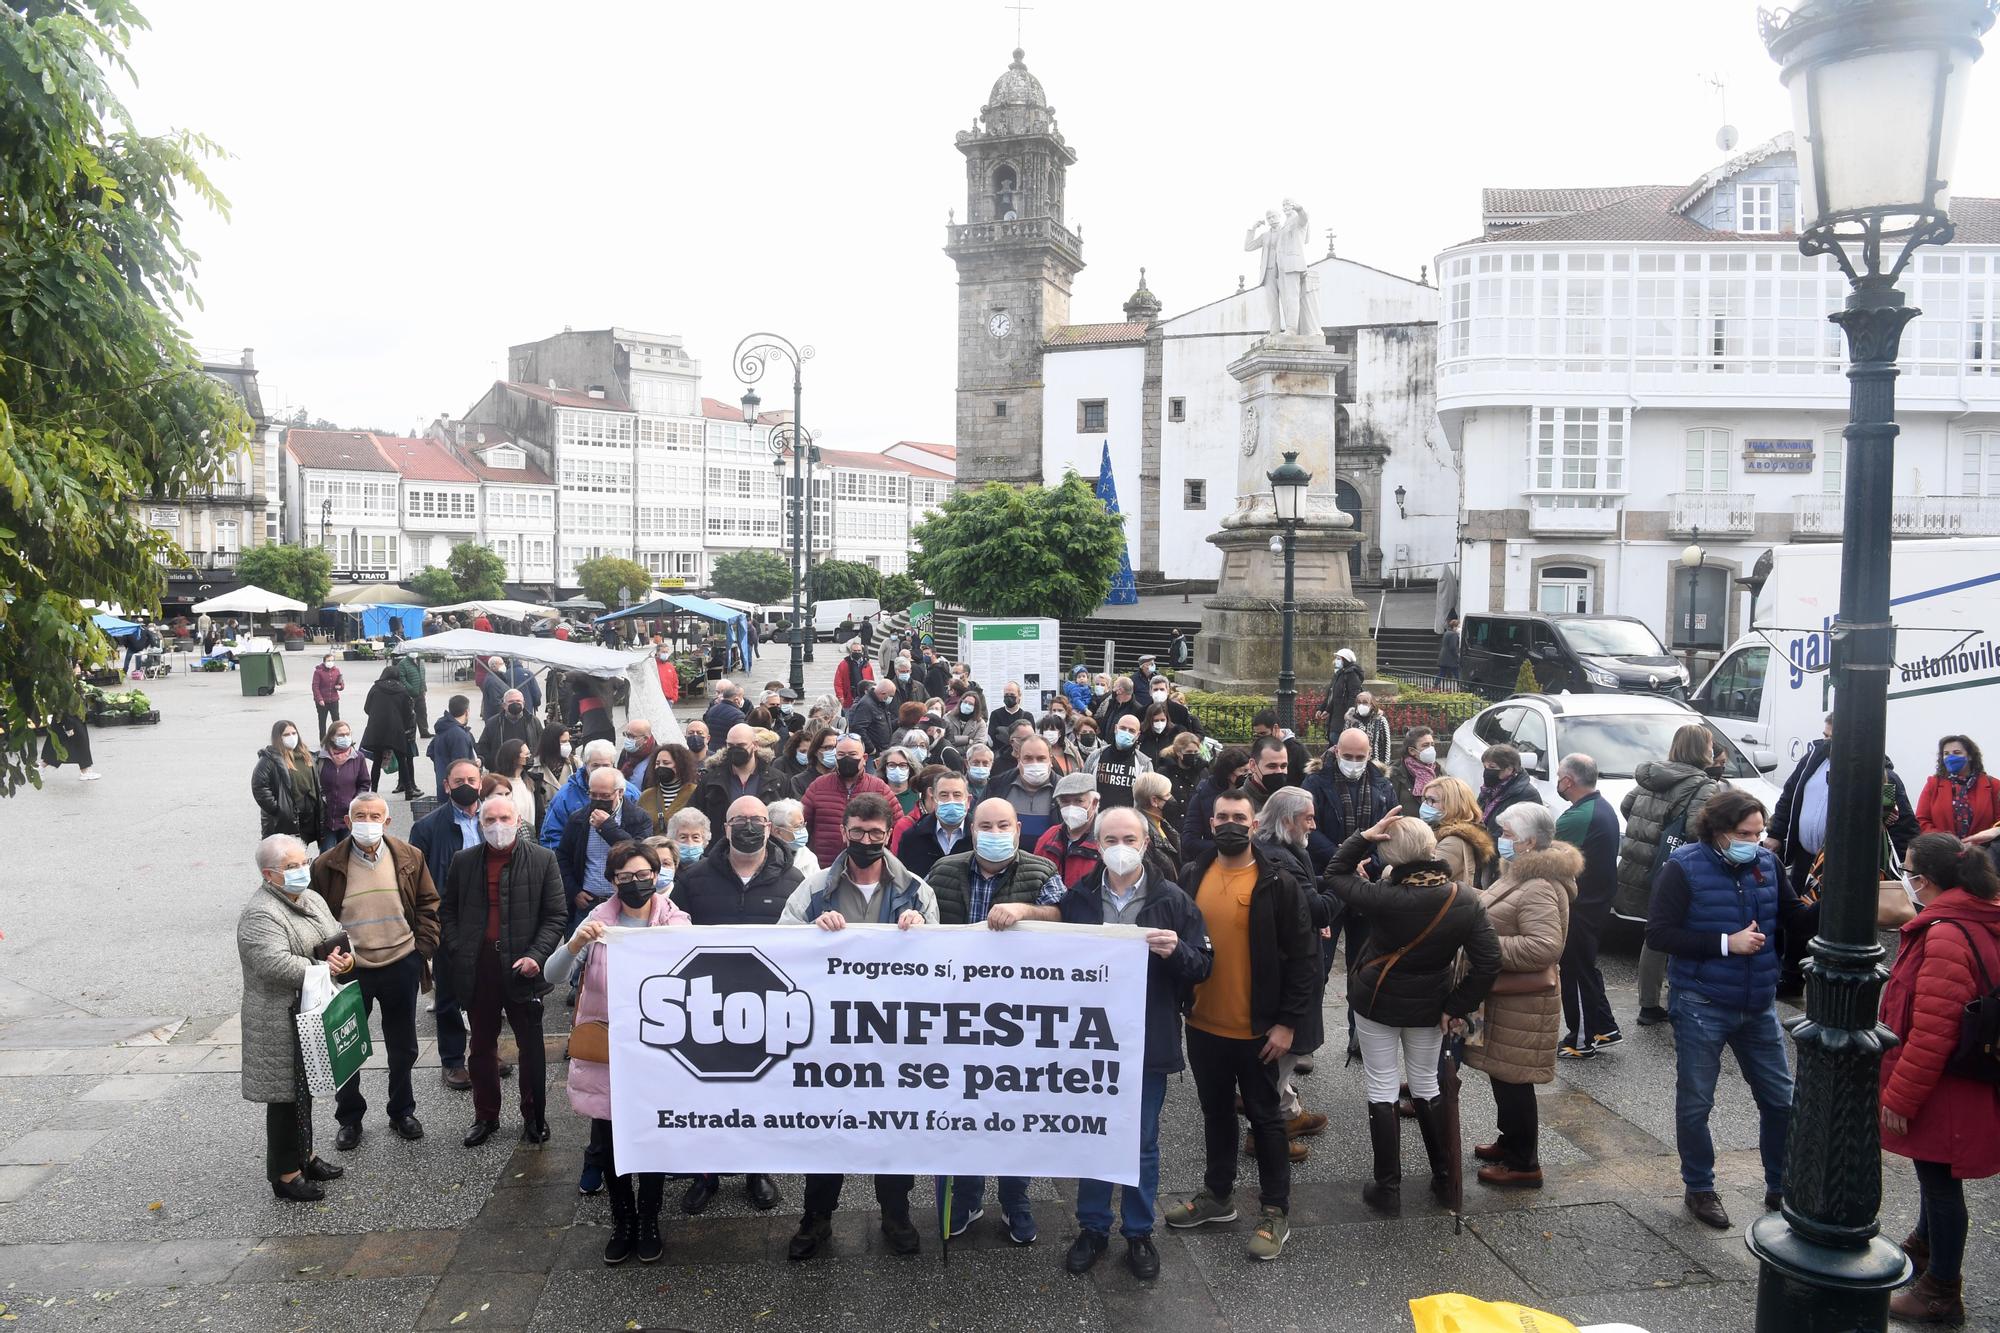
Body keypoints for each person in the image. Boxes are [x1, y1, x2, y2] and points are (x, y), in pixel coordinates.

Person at [1028, 805, 1212, 1280]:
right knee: (1093, 1135)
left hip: (1147, 1041)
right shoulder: (1080, 898)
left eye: (1129, 838)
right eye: (1110, 839)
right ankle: (1093, 1227)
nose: (1120, 848)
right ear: (1098, 844)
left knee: (1140, 1140)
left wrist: (1177, 952)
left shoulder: (1172, 900)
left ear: (1146, 843)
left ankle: (1138, 1230)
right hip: (1089, 1043)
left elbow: (1203, 967)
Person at [779, 793, 938, 1260]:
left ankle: (896, 1214)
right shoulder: (814, 890)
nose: (866, 841)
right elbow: (780, 941)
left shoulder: (915, 889)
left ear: (888, 834)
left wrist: (921, 927)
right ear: (843, 832)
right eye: (857, 832)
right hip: (830, 1038)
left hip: (894, 1039)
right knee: (827, 1129)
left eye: (875, 834)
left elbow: (939, 961)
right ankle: (816, 1218)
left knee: (894, 1128)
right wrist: (811, 931)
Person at [1161, 789, 1318, 1262]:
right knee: (1215, 1112)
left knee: (1267, 1118)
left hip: (1258, 1030)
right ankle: (1219, 1196)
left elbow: (1305, 958)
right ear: (1211, 823)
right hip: (1204, 1024)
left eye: (1239, 817)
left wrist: (1288, 1024)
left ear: (1253, 825)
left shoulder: (1277, 881)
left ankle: (1274, 1210)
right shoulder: (1194, 873)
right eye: (1222, 816)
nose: (1230, 824)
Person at [1326, 811, 1500, 1213]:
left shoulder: (1385, 896)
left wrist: (1363, 836)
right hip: (1432, 1004)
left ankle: (1387, 1187)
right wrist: (1456, 1006)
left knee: (1381, 1086)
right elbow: (1488, 963)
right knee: (1427, 1084)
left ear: (1391, 856)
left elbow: (1334, 872)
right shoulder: (1465, 899)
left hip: (1377, 1000)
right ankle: (1443, 1178)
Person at [1646, 789, 1803, 1230]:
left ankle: (1781, 1185)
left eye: (1759, 833)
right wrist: (1725, 944)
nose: (1753, 841)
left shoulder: (1768, 864)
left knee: (1781, 1101)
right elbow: (1659, 934)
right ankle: (1700, 1187)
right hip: (1701, 1002)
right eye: (1743, 833)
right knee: (1696, 1103)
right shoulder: (1683, 867)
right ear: (1717, 832)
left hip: (1757, 1004)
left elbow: (1793, 917)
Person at [923, 799, 1066, 1243]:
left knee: (1012, 1111)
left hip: (1015, 1022)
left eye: (1003, 825)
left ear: (1018, 828)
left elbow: (1065, 921)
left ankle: (1015, 1198)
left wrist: (1027, 912)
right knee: (961, 1109)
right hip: (955, 1016)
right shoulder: (944, 870)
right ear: (972, 827)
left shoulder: (1041, 872)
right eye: (986, 825)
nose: (995, 831)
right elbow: (920, 922)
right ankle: (966, 1196)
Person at [545, 840, 690, 1261]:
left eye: (644, 875)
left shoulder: (676, 922)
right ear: (612, 882)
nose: (636, 883)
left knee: (651, 1140)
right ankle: (621, 1219)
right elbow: (555, 976)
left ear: (656, 876)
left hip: (659, 1053)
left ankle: (648, 1220)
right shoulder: (598, 923)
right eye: (625, 878)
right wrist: (575, 945)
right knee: (609, 1143)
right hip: (609, 1051)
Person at [1879, 832, 2000, 1324]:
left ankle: (1941, 1291)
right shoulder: (1978, 913)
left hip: (1943, 1083)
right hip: (1965, 1074)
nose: (1904, 879)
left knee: (1941, 1182)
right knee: (1938, 1174)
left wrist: (1900, 1098)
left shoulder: (1946, 931)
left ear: (1924, 879)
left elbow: (1932, 1029)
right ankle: (1924, 1248)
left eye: (1907, 871)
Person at [665, 797, 799, 1213]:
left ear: (769, 827)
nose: (748, 827)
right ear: (725, 828)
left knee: (762, 1092)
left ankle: (757, 1169)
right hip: (708, 1007)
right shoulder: (695, 879)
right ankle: (707, 1173)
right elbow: (671, 941)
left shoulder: (793, 880)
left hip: (768, 1009)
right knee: (706, 1094)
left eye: (757, 820)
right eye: (739, 820)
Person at [309, 792, 438, 1151]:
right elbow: (315, 919)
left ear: (387, 821)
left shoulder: (409, 856)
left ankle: (401, 1110)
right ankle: (349, 1119)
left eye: (375, 815)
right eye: (360, 815)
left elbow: (429, 903)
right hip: (352, 970)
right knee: (347, 1048)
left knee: (403, 1046)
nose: (368, 822)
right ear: (348, 822)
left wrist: (422, 949)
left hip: (401, 962)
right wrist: (328, 958)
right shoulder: (327, 864)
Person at [440, 793, 566, 1148]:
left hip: (523, 969)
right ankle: (485, 1116)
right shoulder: (464, 861)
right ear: (480, 824)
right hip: (479, 968)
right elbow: (447, 911)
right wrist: (458, 945)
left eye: (504, 819)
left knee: (531, 1048)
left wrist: (536, 956)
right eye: (490, 821)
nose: (498, 827)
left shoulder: (543, 860)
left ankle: (534, 1116)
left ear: (518, 821)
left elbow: (555, 915)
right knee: (480, 1046)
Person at [1766, 710, 1920, 995]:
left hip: (1846, 867)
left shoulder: (1883, 776)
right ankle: (1790, 977)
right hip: (1805, 856)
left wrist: (1906, 870)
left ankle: (1836, 985)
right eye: (1825, 736)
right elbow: (1789, 796)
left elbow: (1904, 826)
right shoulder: (1812, 761)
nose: (1826, 743)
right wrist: (1776, 833)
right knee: (1797, 916)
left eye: (1833, 738)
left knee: (1837, 927)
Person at [1466, 802, 1576, 1188]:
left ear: (1529, 842)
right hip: (1508, 1002)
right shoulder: (1519, 873)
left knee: (1515, 1080)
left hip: (1521, 1002)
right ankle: (1508, 1141)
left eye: (1508, 834)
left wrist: (1485, 947)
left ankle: (1524, 1164)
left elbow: (1545, 947)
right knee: (1503, 1074)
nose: (1501, 840)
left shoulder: (1540, 885)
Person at [239, 835, 352, 1201]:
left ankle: (306, 1155)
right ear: (269, 874)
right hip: (278, 1016)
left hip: (310, 1007)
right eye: (291, 867)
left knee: (305, 1091)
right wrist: (322, 966)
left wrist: (345, 959)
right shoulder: (261, 913)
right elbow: (272, 963)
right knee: (286, 1096)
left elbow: (335, 935)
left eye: (303, 862)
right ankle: (285, 1175)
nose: (302, 870)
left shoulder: (310, 897)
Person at [1616, 723, 1724, 1028]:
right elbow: (1695, 830)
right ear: (1702, 749)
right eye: (1710, 744)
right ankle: (1682, 997)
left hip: (1642, 866)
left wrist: (1650, 834)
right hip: (1676, 870)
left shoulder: (1653, 776)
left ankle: (1648, 1003)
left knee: (1655, 932)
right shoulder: (1702, 785)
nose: (1713, 749)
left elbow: (1627, 805)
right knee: (1680, 931)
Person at [1252, 787, 1335, 1162]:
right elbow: (1316, 909)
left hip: (1287, 966)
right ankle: (1267, 1132)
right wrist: (1346, 889)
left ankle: (1288, 1112)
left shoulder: (1284, 848)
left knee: (1280, 1058)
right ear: (1287, 821)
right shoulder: (1279, 858)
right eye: (1308, 819)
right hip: (1287, 972)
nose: (1313, 826)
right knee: (1278, 1055)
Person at [408, 759, 483, 1090]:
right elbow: (415, 883)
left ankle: (485, 1051)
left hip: (490, 918)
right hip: (449, 921)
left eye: (472, 778)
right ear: (446, 785)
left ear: (481, 782)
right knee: (449, 994)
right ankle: (453, 1061)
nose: (465, 784)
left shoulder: (494, 818)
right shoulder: (427, 828)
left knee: (487, 993)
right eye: (458, 779)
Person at [1552, 755, 1623, 1061]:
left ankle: (1581, 1040)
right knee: (1585, 966)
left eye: (1559, 777)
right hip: (1598, 901)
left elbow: (1547, 854)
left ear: (1568, 781)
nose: (1557, 782)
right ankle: (1605, 1027)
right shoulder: (1601, 807)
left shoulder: (1577, 817)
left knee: (1576, 970)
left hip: (1581, 905)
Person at [559, 765, 653, 929]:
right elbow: (562, 857)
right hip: (588, 903)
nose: (598, 800)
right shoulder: (578, 818)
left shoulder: (639, 818)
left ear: (620, 792)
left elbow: (640, 854)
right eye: (593, 795)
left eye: (605, 796)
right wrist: (574, 891)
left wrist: (607, 827)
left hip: (625, 902)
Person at [800, 734, 893, 863]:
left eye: (853, 754)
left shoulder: (879, 788)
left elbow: (896, 830)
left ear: (864, 758)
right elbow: (800, 824)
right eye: (841, 755)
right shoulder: (818, 786)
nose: (846, 759)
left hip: (867, 867)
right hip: (824, 867)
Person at [539, 739, 640, 851]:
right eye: (595, 765)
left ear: (613, 765)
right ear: (586, 765)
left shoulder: (630, 792)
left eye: (606, 765)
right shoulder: (565, 795)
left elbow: (641, 836)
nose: (601, 770)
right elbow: (551, 837)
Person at [1914, 734, 2000, 843]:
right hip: (1943, 852)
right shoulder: (1933, 783)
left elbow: (1999, 822)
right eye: (1946, 754)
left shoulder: (1994, 785)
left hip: (1983, 853)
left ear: (1970, 756)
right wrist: (1947, 842)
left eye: (1957, 753)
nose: (1950, 757)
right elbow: (1922, 820)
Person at [254, 719, 325, 850]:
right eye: (286, 734)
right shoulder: (269, 759)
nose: (292, 737)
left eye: (294, 733)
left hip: (308, 817)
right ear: (278, 737)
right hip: (286, 820)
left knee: (301, 854)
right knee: (285, 858)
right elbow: (259, 787)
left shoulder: (307, 756)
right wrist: (279, 809)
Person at [892, 769, 971, 879]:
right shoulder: (911, 838)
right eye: (944, 795)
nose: (950, 800)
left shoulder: (978, 838)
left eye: (957, 795)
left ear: (968, 801)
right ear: (934, 799)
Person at [1179, 745, 1250, 863]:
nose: (1248, 775)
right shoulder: (1203, 796)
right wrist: (1223, 847)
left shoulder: (1251, 792)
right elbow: (1189, 840)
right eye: (1244, 771)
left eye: (1250, 770)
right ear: (1228, 773)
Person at [693, 723, 772, 831]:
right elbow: (694, 817)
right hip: (721, 845)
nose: (735, 750)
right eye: (730, 746)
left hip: (763, 845)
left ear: (755, 745)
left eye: (741, 745)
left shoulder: (776, 780)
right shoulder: (710, 781)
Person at [987, 735, 1060, 847]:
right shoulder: (997, 786)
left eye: (1041, 758)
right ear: (1018, 759)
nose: (1035, 763)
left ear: (1050, 759)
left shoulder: (1064, 791)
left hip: (1051, 860)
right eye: (1028, 758)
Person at [361, 664, 419, 799]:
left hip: (377, 730)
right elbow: (408, 713)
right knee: (402, 760)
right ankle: (409, 791)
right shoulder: (402, 690)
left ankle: (374, 791)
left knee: (377, 761)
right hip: (396, 730)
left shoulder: (375, 688)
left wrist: (377, 716)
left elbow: (366, 708)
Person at [1035, 772, 1102, 886]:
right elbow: (1035, 878)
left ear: (1094, 803)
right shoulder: (1048, 837)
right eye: (1065, 801)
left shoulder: (1105, 840)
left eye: (1079, 801)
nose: (1072, 807)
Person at [317, 720, 371, 852]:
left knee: (347, 855)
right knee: (327, 856)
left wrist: (355, 802)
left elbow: (364, 783)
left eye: (347, 734)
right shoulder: (320, 758)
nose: (345, 738)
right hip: (327, 819)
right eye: (341, 735)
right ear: (331, 737)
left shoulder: (358, 758)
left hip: (348, 818)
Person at [1086, 714, 1153, 809]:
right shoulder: (1096, 756)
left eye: (1131, 731)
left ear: (1137, 735)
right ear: (1115, 729)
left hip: (1128, 821)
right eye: (1123, 728)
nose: (1126, 733)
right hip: (1097, 820)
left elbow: (1147, 800)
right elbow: (1083, 790)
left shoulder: (1144, 763)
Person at [1478, 743, 1542, 838]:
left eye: (1492, 767)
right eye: (1485, 767)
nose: (1487, 772)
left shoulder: (1526, 796)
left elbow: (1512, 834)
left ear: (1510, 769)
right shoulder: (1489, 789)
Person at [426, 695, 479, 803]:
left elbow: (430, 751)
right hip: (458, 791)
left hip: (444, 786)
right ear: (466, 711)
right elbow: (462, 767)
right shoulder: (458, 734)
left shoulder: (443, 728)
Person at [477, 690, 543, 772]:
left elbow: (542, 745)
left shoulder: (533, 722)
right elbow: (482, 748)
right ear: (504, 705)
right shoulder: (493, 723)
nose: (515, 704)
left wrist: (533, 762)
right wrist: (493, 763)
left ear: (523, 703)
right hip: (501, 773)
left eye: (518, 701)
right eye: (511, 701)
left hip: (528, 772)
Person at [1314, 647, 1364, 744]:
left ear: (1345, 660)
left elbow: (1353, 696)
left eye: (1338, 658)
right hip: (1336, 716)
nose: (1335, 661)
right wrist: (1324, 709)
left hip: (1342, 718)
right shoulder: (1339, 674)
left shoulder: (1351, 675)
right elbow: (1333, 695)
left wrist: (1349, 714)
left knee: (1337, 740)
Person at [1133, 771, 1181, 869]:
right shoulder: (1141, 835)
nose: (1172, 798)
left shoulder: (1161, 823)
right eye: (1168, 794)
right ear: (1154, 801)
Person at [1390, 727, 1439, 816]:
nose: (1431, 749)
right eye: (1425, 745)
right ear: (1412, 751)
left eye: (1432, 745)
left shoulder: (1438, 770)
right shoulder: (1396, 773)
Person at [491, 741, 538, 830]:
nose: (529, 757)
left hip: (529, 837)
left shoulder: (528, 782)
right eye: (526, 754)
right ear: (514, 758)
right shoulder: (499, 786)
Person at [533, 726, 574, 827]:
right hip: (546, 823)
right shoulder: (533, 769)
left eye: (568, 741)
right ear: (551, 743)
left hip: (571, 821)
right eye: (563, 742)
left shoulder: (575, 764)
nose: (567, 745)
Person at [766, 798, 818, 876]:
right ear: (777, 831)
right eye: (797, 826)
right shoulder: (763, 859)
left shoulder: (808, 857)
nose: (803, 830)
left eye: (803, 824)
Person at [1343, 692, 1391, 767]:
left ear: (1372, 705)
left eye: (1365, 702)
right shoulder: (1350, 720)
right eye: (1359, 702)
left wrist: (1384, 766)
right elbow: (1344, 742)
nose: (1361, 705)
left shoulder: (1380, 720)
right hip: (1355, 763)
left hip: (1374, 764)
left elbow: (1385, 744)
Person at [395, 645, 430, 740]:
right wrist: (409, 689)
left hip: (420, 692)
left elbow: (423, 677)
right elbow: (401, 678)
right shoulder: (402, 663)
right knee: (408, 715)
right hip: (409, 694)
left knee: (422, 713)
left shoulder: (421, 662)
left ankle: (424, 731)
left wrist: (424, 688)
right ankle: (407, 733)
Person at [986, 681, 1031, 753]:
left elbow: (1030, 739)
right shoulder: (995, 714)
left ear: (1019, 696)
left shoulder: (1027, 716)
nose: (1009, 697)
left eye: (1012, 694)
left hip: (1021, 754)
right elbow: (993, 739)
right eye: (1006, 694)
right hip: (1001, 756)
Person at [311, 653, 345, 737]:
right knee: (322, 721)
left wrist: (340, 686)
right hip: (322, 701)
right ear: (324, 662)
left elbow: (341, 683)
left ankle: (338, 737)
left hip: (334, 700)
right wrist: (320, 699)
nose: (330, 662)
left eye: (332, 660)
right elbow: (315, 687)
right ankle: (323, 740)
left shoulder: (336, 670)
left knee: (336, 720)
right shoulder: (318, 672)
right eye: (328, 661)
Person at [832, 639, 873, 709]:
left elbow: (872, 681)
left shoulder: (867, 665)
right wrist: (841, 697)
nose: (857, 652)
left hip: (864, 699)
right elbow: (838, 682)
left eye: (859, 651)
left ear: (862, 652)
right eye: (855, 651)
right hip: (849, 699)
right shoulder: (844, 664)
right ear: (850, 652)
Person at [945, 686, 988, 753]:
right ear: (960, 702)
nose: (967, 705)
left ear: (975, 707)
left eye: (970, 704)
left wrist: (957, 749)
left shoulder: (980, 723)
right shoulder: (948, 717)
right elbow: (946, 740)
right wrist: (967, 740)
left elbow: (978, 746)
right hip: (949, 755)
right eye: (965, 702)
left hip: (969, 758)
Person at [1436, 615, 1462, 690]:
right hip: (1450, 658)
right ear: (1455, 626)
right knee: (1456, 673)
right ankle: (1462, 686)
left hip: (1443, 656)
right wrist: (1457, 656)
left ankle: (1435, 685)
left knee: (1441, 672)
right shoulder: (1454, 634)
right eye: (1458, 626)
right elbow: (1453, 647)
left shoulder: (1447, 633)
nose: (1459, 628)